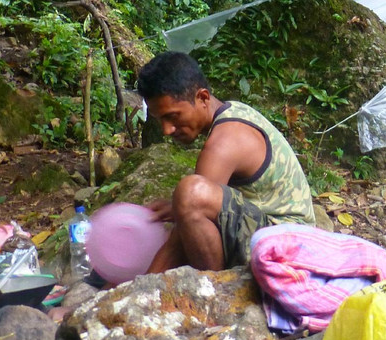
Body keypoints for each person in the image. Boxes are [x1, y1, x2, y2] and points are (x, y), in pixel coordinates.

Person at [135, 51, 316, 273]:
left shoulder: (223, 143)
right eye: (160, 120)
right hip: (282, 235)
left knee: (190, 194)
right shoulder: (232, 111)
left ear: (202, 98)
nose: (166, 130)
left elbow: (184, 225)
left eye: (173, 117)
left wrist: (138, 288)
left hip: (291, 250)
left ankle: (213, 289)